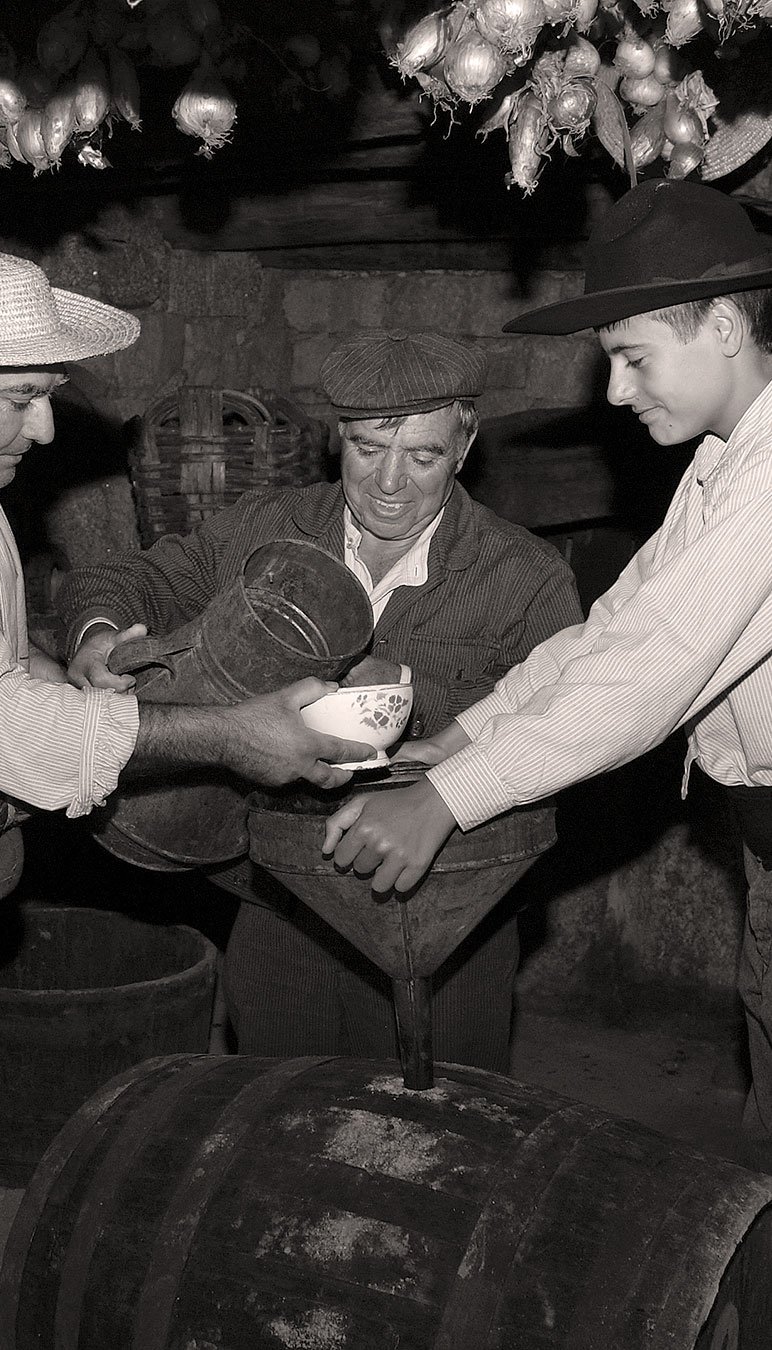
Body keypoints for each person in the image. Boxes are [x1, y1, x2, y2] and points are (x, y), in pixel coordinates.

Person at [0, 249, 372, 1350]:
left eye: (48, 396)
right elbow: (2, 729)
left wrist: (78, 669)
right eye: (19, 397)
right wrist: (229, 734)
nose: (47, 430)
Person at [324, 179, 772, 1162]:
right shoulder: (725, 462)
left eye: (633, 358)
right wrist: (462, 736)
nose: (614, 391)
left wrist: (447, 799)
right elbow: (612, 629)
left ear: (725, 326)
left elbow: (649, 674)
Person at [59, 329, 582, 1068]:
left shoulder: (525, 577)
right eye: (369, 448)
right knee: (281, 1100)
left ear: (464, 449)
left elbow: (562, 738)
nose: (391, 482)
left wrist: (412, 708)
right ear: (339, 439)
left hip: (445, 908)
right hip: (281, 894)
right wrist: (98, 635)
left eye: (423, 456)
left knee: (445, 1108)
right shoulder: (266, 529)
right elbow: (127, 578)